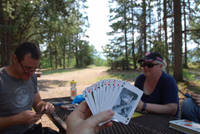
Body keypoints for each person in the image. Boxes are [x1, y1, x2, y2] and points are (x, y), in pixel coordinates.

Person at [0, 42, 55, 134]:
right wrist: (16, 119)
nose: (30, 73)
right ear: (15, 59)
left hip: (30, 130)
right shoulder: (2, 79)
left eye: (34, 69)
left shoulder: (32, 76)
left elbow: (37, 103)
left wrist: (43, 106)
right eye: (27, 68)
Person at [134, 52, 179, 116]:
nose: (145, 67)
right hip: (144, 119)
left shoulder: (168, 81)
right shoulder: (140, 79)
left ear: (160, 66)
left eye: (150, 65)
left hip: (164, 121)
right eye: (143, 64)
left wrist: (144, 106)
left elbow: (173, 109)